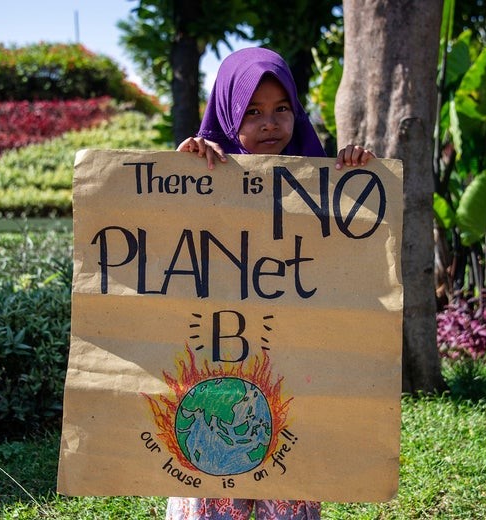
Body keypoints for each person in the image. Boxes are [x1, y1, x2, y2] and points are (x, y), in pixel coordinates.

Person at [169, 47, 375, 520]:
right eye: (252, 111)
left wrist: (356, 171)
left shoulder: (323, 181)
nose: (269, 123)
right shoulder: (202, 170)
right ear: (226, 112)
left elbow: (346, 254)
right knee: (213, 473)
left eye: (281, 109)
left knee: (288, 478)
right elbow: (174, 251)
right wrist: (183, 173)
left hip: (292, 367)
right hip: (213, 368)